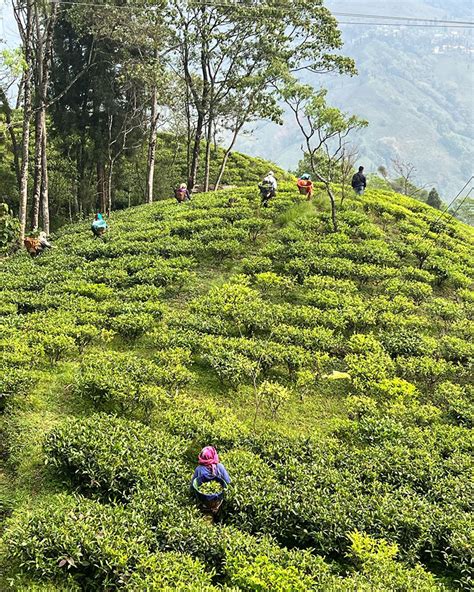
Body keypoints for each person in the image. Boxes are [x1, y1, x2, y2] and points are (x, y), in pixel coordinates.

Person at [190, 446, 231, 520]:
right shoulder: (219, 467)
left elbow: (193, 486)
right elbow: (228, 481)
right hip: (217, 501)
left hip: (204, 501)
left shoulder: (199, 469)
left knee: (206, 517)